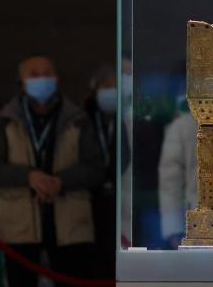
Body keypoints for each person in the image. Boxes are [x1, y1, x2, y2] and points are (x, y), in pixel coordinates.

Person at [0, 55, 104, 287]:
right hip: (20, 228)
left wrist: (61, 182)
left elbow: (96, 168)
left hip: (71, 226)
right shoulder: (5, 121)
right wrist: (28, 177)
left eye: (47, 73)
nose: (42, 78)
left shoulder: (78, 119)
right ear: (21, 82)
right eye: (34, 74)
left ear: (57, 79)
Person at [84, 63, 130, 276]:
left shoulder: (127, 118)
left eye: (114, 86)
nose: (110, 91)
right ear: (95, 91)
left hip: (121, 198)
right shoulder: (81, 121)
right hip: (90, 198)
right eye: (105, 86)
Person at [158, 105, 198, 249]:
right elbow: (170, 182)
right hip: (196, 225)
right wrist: (174, 230)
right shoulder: (182, 127)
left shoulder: (181, 126)